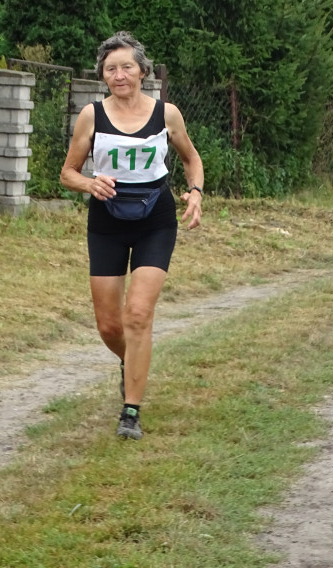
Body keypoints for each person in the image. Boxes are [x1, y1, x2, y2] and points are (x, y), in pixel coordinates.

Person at [60, 32, 203, 440]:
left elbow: (191, 159)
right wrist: (90, 184)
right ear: (103, 76)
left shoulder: (166, 114)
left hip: (154, 219)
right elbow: (67, 173)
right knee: (110, 326)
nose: (120, 75)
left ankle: (131, 411)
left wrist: (195, 192)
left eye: (127, 67)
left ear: (142, 70)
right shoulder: (91, 115)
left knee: (137, 314)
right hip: (106, 220)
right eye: (111, 69)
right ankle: (132, 363)